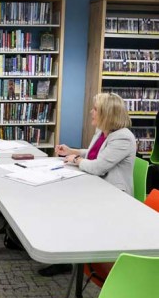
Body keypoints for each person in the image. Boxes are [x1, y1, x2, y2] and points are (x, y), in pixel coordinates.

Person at [39, 92, 136, 277]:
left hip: (113, 195)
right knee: (60, 202)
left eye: (95, 109)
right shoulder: (102, 131)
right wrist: (72, 151)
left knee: (68, 209)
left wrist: (75, 160)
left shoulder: (123, 138)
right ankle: (64, 257)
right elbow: (93, 154)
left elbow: (98, 166)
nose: (91, 112)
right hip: (95, 185)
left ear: (107, 113)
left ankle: (69, 258)